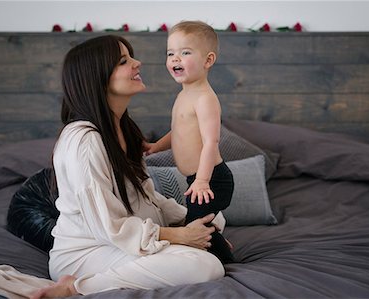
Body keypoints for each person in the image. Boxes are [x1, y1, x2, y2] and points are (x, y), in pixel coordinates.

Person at [30, 34, 226, 298]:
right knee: (206, 265)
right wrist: (180, 237)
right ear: (98, 77)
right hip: (90, 252)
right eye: (124, 60)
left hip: (124, 242)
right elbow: (108, 225)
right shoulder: (84, 141)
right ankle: (74, 287)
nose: (138, 63)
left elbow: (144, 198)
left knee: (215, 219)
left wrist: (192, 220)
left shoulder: (123, 129)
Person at [143, 21, 234, 264]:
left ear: (208, 60)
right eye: (170, 53)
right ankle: (218, 242)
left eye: (185, 52)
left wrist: (203, 180)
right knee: (195, 221)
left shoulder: (205, 98)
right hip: (197, 180)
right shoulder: (184, 94)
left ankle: (226, 261)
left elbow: (211, 142)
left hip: (213, 179)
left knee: (196, 226)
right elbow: (178, 132)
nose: (175, 59)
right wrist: (155, 147)